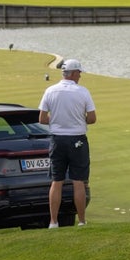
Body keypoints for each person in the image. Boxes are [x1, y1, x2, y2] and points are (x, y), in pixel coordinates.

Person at [39, 58, 97, 228]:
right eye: (79, 73)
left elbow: (42, 118)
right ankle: (82, 221)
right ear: (72, 73)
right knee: (78, 181)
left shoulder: (50, 91)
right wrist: (78, 119)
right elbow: (92, 118)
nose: (80, 76)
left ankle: (53, 222)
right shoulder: (83, 92)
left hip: (57, 140)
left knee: (57, 181)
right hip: (77, 139)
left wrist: (57, 120)